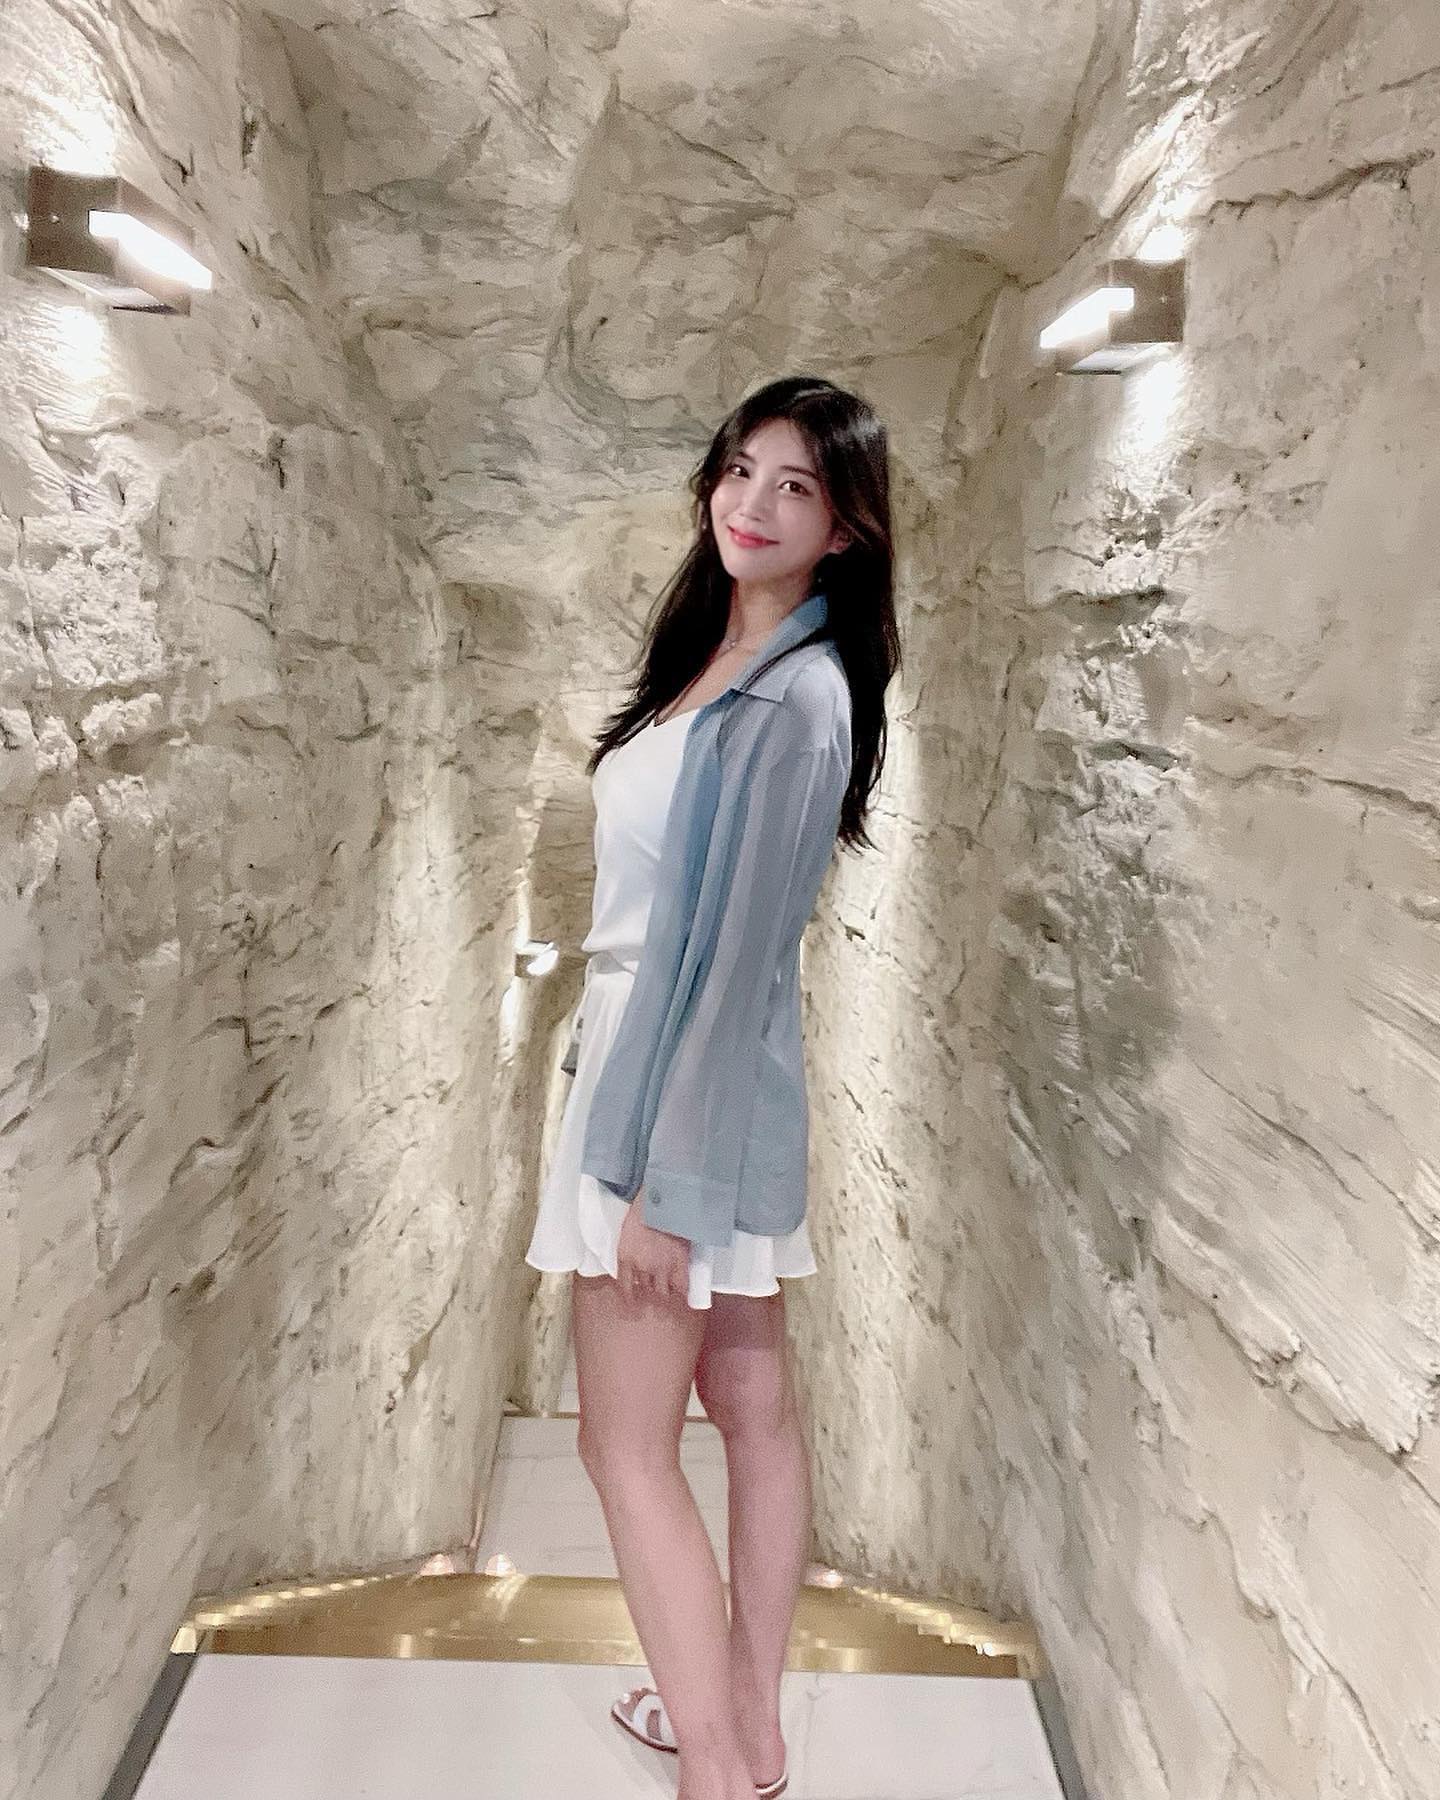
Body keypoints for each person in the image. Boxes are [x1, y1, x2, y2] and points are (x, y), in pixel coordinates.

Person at [526, 373, 899, 1800]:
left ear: (844, 528)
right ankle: (744, 1727)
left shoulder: (800, 698)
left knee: (623, 1447)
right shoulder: (723, 659)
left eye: (797, 486)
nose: (753, 503)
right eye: (741, 470)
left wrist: (658, 1185)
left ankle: (722, 1770)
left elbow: (736, 967)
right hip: (683, 1071)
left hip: (671, 1091)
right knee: (752, 1408)